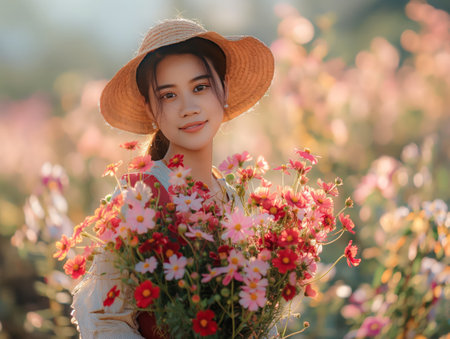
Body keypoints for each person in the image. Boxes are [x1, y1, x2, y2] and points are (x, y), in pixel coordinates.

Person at [71, 18, 274, 338]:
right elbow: (104, 320)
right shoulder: (138, 199)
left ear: (224, 90)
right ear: (150, 108)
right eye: (168, 95)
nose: (189, 107)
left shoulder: (234, 197)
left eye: (200, 87)